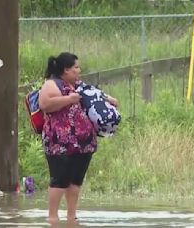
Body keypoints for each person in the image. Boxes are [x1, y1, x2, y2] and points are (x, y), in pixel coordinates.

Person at [38, 52, 118, 224]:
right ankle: (52, 218)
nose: (79, 70)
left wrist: (109, 100)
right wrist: (68, 99)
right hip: (60, 142)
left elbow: (96, 95)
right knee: (59, 180)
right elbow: (44, 104)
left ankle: (71, 217)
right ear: (66, 70)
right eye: (76, 67)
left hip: (83, 144)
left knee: (75, 181)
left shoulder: (79, 85)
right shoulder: (52, 85)